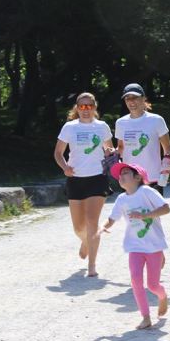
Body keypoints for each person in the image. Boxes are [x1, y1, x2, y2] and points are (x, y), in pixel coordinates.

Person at [98, 163, 169, 330]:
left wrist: (146, 215)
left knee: (153, 285)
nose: (121, 176)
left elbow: (166, 208)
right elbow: (112, 218)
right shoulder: (121, 199)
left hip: (153, 246)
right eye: (119, 174)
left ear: (137, 177)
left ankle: (162, 296)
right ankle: (145, 317)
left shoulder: (147, 192)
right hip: (134, 246)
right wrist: (103, 227)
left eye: (125, 173)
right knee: (136, 279)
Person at [54, 92, 113, 277]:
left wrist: (112, 153)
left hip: (97, 178)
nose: (85, 110)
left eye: (89, 106)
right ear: (77, 108)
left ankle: (92, 265)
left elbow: (109, 150)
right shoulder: (69, 127)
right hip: (75, 179)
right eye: (82, 106)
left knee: (92, 222)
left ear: (94, 107)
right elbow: (58, 153)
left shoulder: (102, 127)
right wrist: (65, 167)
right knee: (79, 227)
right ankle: (86, 240)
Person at [115, 83, 170, 195]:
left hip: (152, 177)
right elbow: (121, 148)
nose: (131, 102)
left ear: (143, 98)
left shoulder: (156, 120)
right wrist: (112, 153)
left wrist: (168, 160)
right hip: (130, 179)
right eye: (128, 98)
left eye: (135, 97)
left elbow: (168, 147)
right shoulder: (121, 122)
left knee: (153, 207)